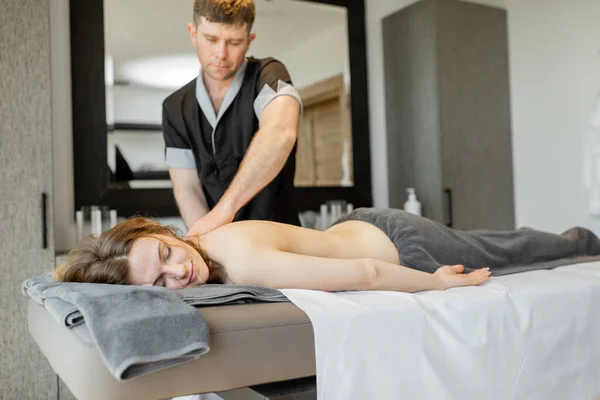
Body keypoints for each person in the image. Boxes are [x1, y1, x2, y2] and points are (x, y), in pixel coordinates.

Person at [54, 208, 600, 293]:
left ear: (162, 232)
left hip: (400, 246)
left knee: (518, 252)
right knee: (513, 248)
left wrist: (437, 284)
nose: (180, 271)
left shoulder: (237, 258)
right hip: (364, 226)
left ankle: (585, 239)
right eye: (158, 282)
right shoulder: (202, 253)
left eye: (165, 253)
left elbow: (364, 273)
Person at [163, 0, 303, 238]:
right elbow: (187, 188)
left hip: (282, 240)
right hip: (221, 246)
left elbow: (280, 134)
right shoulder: (175, 107)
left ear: (249, 41)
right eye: (211, 39)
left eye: (234, 42)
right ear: (193, 33)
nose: (221, 54)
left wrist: (223, 212)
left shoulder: (268, 75)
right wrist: (208, 244)